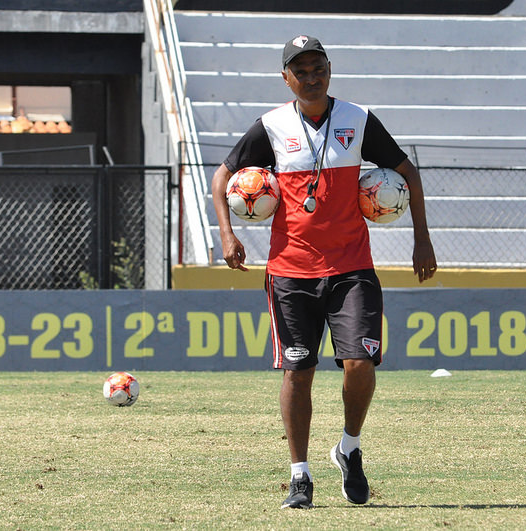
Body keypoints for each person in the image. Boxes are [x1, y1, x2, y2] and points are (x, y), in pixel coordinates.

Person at [211, 35, 437, 509]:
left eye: (319, 69)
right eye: (301, 71)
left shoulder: (357, 119)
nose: (311, 77)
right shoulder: (271, 126)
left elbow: (407, 173)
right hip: (291, 272)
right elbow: (222, 176)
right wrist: (228, 235)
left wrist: (421, 237)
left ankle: (349, 448)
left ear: (329, 70)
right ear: (286, 77)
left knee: (359, 363)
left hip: (352, 268)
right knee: (299, 372)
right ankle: (300, 476)